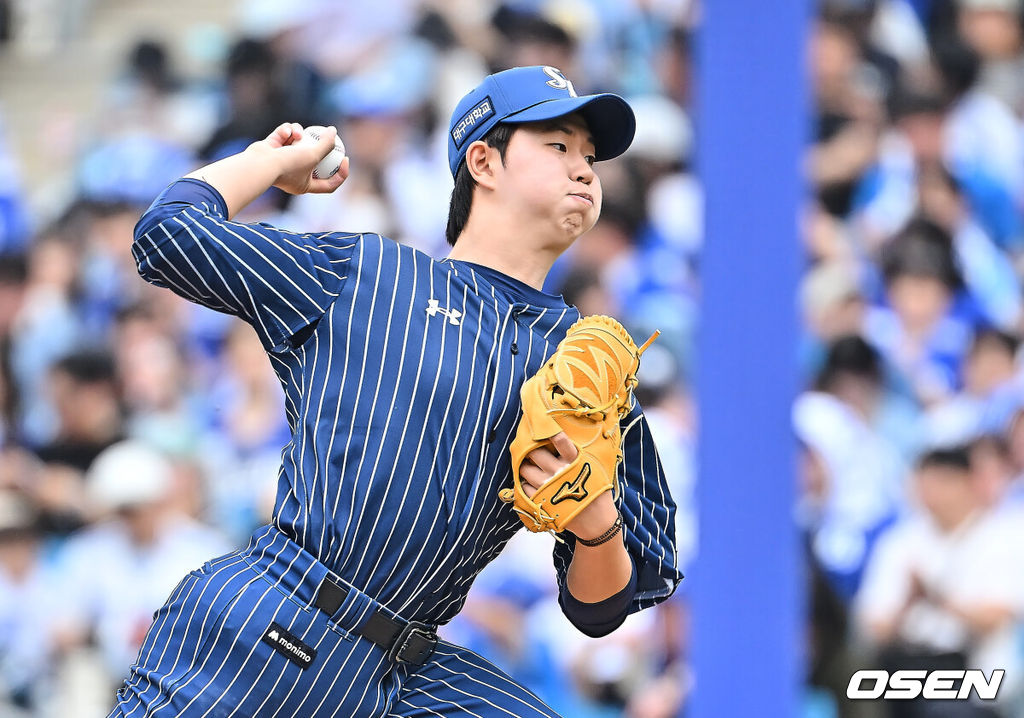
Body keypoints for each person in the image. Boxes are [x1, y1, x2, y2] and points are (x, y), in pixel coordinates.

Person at [109, 65, 682, 717]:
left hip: (403, 673)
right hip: (268, 624)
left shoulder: (587, 363)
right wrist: (268, 162)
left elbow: (602, 609)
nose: (585, 169)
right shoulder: (366, 272)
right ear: (484, 162)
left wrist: (595, 524)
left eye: (590, 156)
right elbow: (166, 237)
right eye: (558, 145)